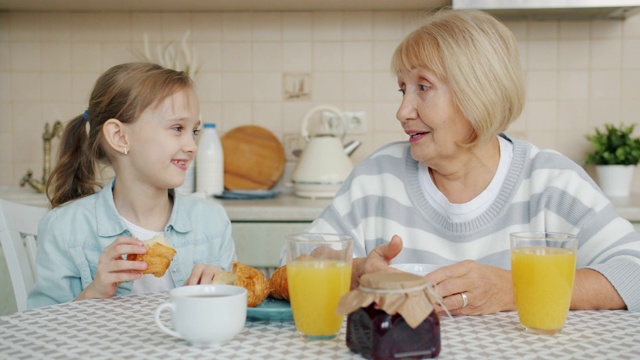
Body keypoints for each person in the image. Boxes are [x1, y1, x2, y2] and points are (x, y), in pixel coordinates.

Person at [306, 10, 640, 315]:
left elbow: (634, 271)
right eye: (403, 90)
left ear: (477, 94)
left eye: (423, 87)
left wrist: (517, 290)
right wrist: (353, 273)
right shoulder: (376, 177)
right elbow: (292, 266)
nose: (403, 111)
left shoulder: (551, 182)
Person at [28, 63, 236, 308]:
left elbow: (234, 315)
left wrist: (223, 292)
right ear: (119, 136)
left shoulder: (212, 221)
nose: (192, 145)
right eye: (177, 128)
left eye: (194, 131)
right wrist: (93, 293)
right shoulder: (64, 228)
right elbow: (43, 329)